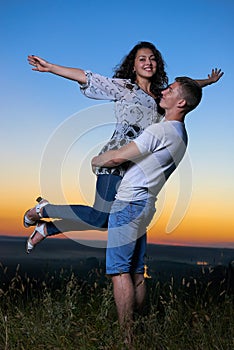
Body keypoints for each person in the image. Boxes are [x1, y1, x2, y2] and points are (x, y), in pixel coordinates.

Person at [24, 41, 223, 253]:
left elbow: (186, 90)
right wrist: (52, 67)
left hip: (136, 169)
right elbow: (87, 77)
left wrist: (207, 82)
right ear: (134, 65)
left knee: (105, 221)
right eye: (142, 59)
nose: (149, 62)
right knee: (100, 218)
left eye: (153, 58)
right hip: (115, 160)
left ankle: (46, 228)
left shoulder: (162, 96)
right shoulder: (125, 88)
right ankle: (43, 210)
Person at [91, 76, 202, 341]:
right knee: (137, 271)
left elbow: (119, 156)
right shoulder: (180, 134)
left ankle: (127, 339)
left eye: (171, 90)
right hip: (146, 206)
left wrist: (97, 159)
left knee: (119, 272)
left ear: (182, 102)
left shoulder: (159, 131)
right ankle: (140, 328)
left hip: (129, 204)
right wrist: (205, 81)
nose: (164, 91)